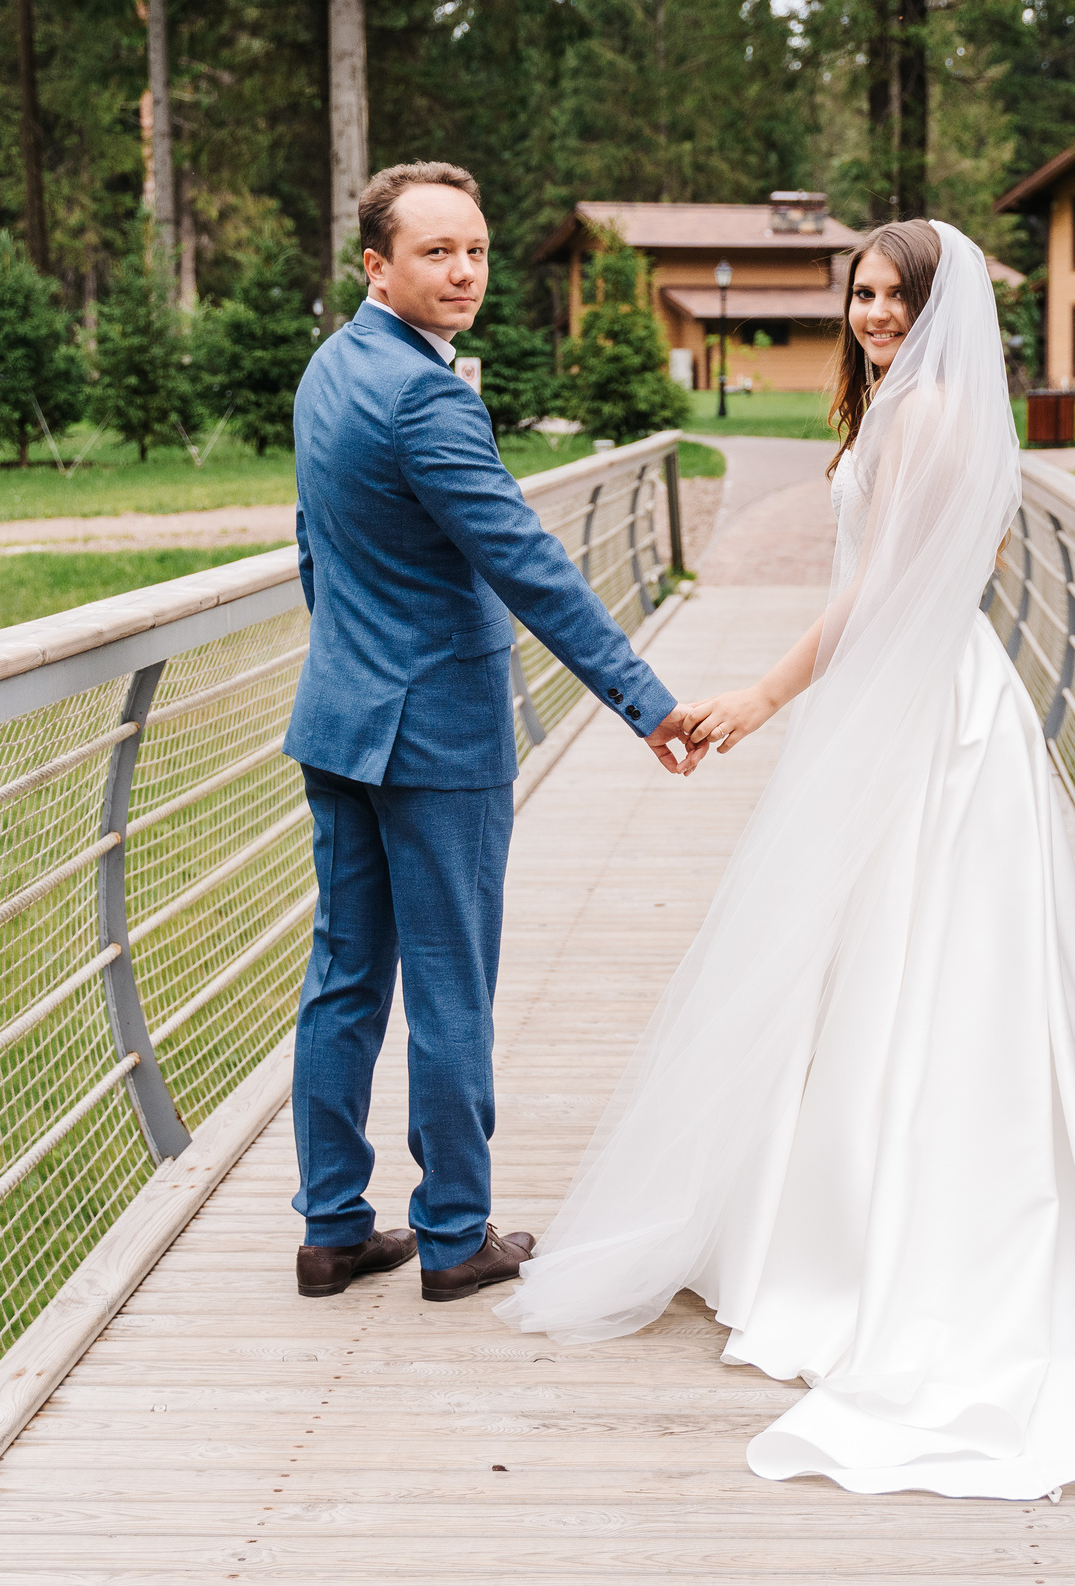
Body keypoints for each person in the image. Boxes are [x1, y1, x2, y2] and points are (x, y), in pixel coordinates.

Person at [498, 219, 1075, 1501]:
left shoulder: (922, 420)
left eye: (895, 296)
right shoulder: (906, 406)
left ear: (939, 312)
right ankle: (841, 1210)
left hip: (927, 713)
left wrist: (763, 698)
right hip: (915, 694)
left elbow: (882, 591)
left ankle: (904, 1236)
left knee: (927, 956)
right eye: (862, 294)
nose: (874, 314)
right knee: (877, 954)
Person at [285, 161, 707, 1307]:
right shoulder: (427, 395)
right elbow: (525, 563)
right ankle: (455, 1233)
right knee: (451, 986)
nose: (463, 271)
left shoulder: (330, 370)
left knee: (342, 979)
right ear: (377, 266)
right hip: (436, 735)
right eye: (435, 252)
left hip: (339, 718)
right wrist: (647, 700)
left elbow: (315, 545)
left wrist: (351, 663)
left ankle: (331, 1230)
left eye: (473, 249)